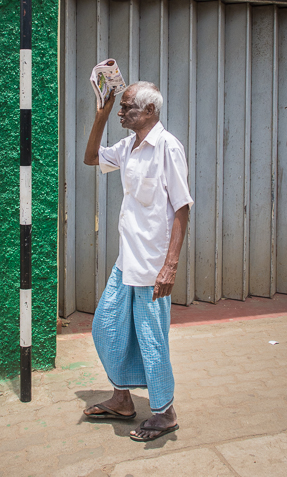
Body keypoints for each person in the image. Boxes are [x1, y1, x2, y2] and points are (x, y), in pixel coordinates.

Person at [83, 81, 193, 442]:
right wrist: (100, 114)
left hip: (152, 266)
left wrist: (171, 264)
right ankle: (122, 400)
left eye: (127, 107)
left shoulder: (167, 147)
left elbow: (181, 208)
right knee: (108, 328)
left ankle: (165, 413)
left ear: (149, 111)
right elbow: (91, 157)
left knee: (151, 339)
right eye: (120, 107)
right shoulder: (128, 146)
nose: (121, 112)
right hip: (126, 261)